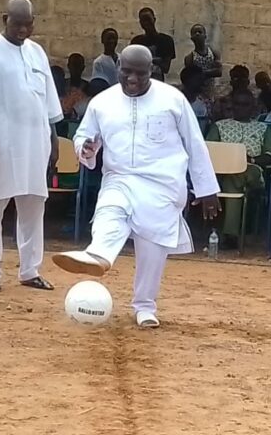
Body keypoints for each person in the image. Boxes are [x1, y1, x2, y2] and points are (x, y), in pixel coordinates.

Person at [52, 45, 220, 328]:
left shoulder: (172, 100)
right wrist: (86, 148)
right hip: (119, 177)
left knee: (152, 250)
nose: (132, 79)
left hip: (162, 185)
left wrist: (207, 190)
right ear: (118, 68)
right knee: (109, 210)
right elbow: (83, 136)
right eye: (126, 72)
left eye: (139, 74)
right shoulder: (102, 102)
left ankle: (145, 307)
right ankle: (99, 255)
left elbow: (195, 144)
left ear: (151, 71)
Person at [0, 0, 63, 294]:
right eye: (17, 23)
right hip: (1, 143)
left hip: (36, 142)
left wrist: (54, 141)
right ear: (4, 18)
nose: (23, 29)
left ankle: (30, 270)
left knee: (34, 206)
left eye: (28, 24)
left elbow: (49, 104)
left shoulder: (38, 53)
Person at [206, 89, 271, 247]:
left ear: (253, 107)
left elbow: (270, 157)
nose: (240, 108)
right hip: (222, 172)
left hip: (252, 170)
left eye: (245, 105)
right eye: (237, 104)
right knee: (233, 181)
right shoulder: (219, 126)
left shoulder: (262, 128)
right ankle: (232, 234)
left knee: (236, 175)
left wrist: (249, 160)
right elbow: (208, 152)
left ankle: (231, 236)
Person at [131, 7, 176, 75]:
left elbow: (165, 68)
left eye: (148, 19)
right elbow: (132, 65)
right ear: (140, 23)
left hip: (157, 80)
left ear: (154, 20)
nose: (146, 23)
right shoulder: (136, 42)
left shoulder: (166, 41)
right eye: (143, 20)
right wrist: (157, 61)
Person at [184, 23, 221, 96]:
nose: (197, 34)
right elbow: (190, 78)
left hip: (211, 92)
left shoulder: (213, 53)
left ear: (205, 36)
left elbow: (219, 72)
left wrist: (201, 73)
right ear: (192, 38)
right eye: (195, 33)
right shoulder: (189, 58)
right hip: (197, 93)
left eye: (200, 32)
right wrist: (209, 72)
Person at [179, 65, 210, 132]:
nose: (203, 83)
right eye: (199, 80)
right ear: (188, 80)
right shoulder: (175, 102)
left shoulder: (205, 104)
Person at [63, 53, 89, 119]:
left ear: (83, 68)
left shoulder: (88, 87)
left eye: (78, 65)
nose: (75, 68)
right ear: (68, 66)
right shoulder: (62, 85)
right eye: (73, 65)